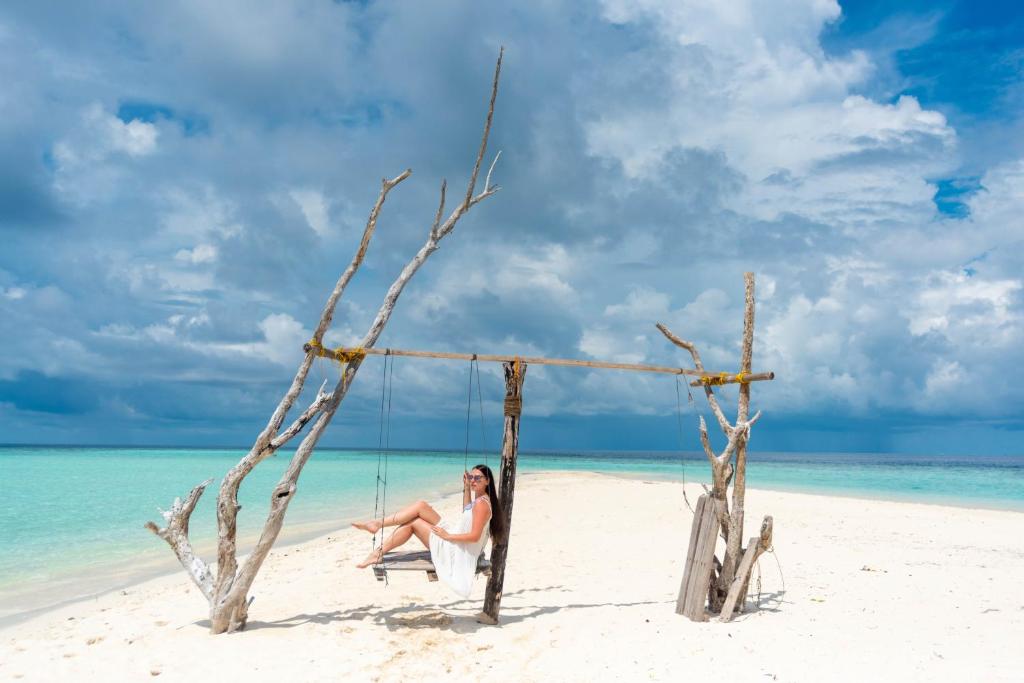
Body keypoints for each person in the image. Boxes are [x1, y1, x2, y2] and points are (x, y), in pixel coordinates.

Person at [352, 463, 504, 597]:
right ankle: (377, 525)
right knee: (421, 505)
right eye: (471, 477)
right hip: (454, 535)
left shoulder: (482, 505)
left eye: (478, 478)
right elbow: (467, 511)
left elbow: (475, 536)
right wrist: (465, 488)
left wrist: (448, 536)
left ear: (487, 481)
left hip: (454, 549)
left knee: (413, 523)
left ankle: (377, 550)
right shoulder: (479, 501)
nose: (473, 481)